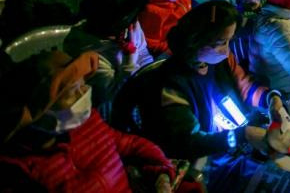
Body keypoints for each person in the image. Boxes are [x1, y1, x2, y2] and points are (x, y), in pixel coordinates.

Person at [136, 1, 290, 192]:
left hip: (233, 143)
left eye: (229, 41)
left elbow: (245, 85)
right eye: (220, 43)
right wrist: (243, 135)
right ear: (196, 40)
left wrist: (271, 100)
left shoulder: (219, 61)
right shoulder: (172, 85)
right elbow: (190, 142)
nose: (227, 51)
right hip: (206, 160)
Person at [0, 50, 179, 193]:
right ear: (42, 110)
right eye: (73, 91)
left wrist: (161, 173)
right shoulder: (19, 168)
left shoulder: (87, 122)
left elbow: (128, 143)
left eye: (82, 84)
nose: (84, 94)